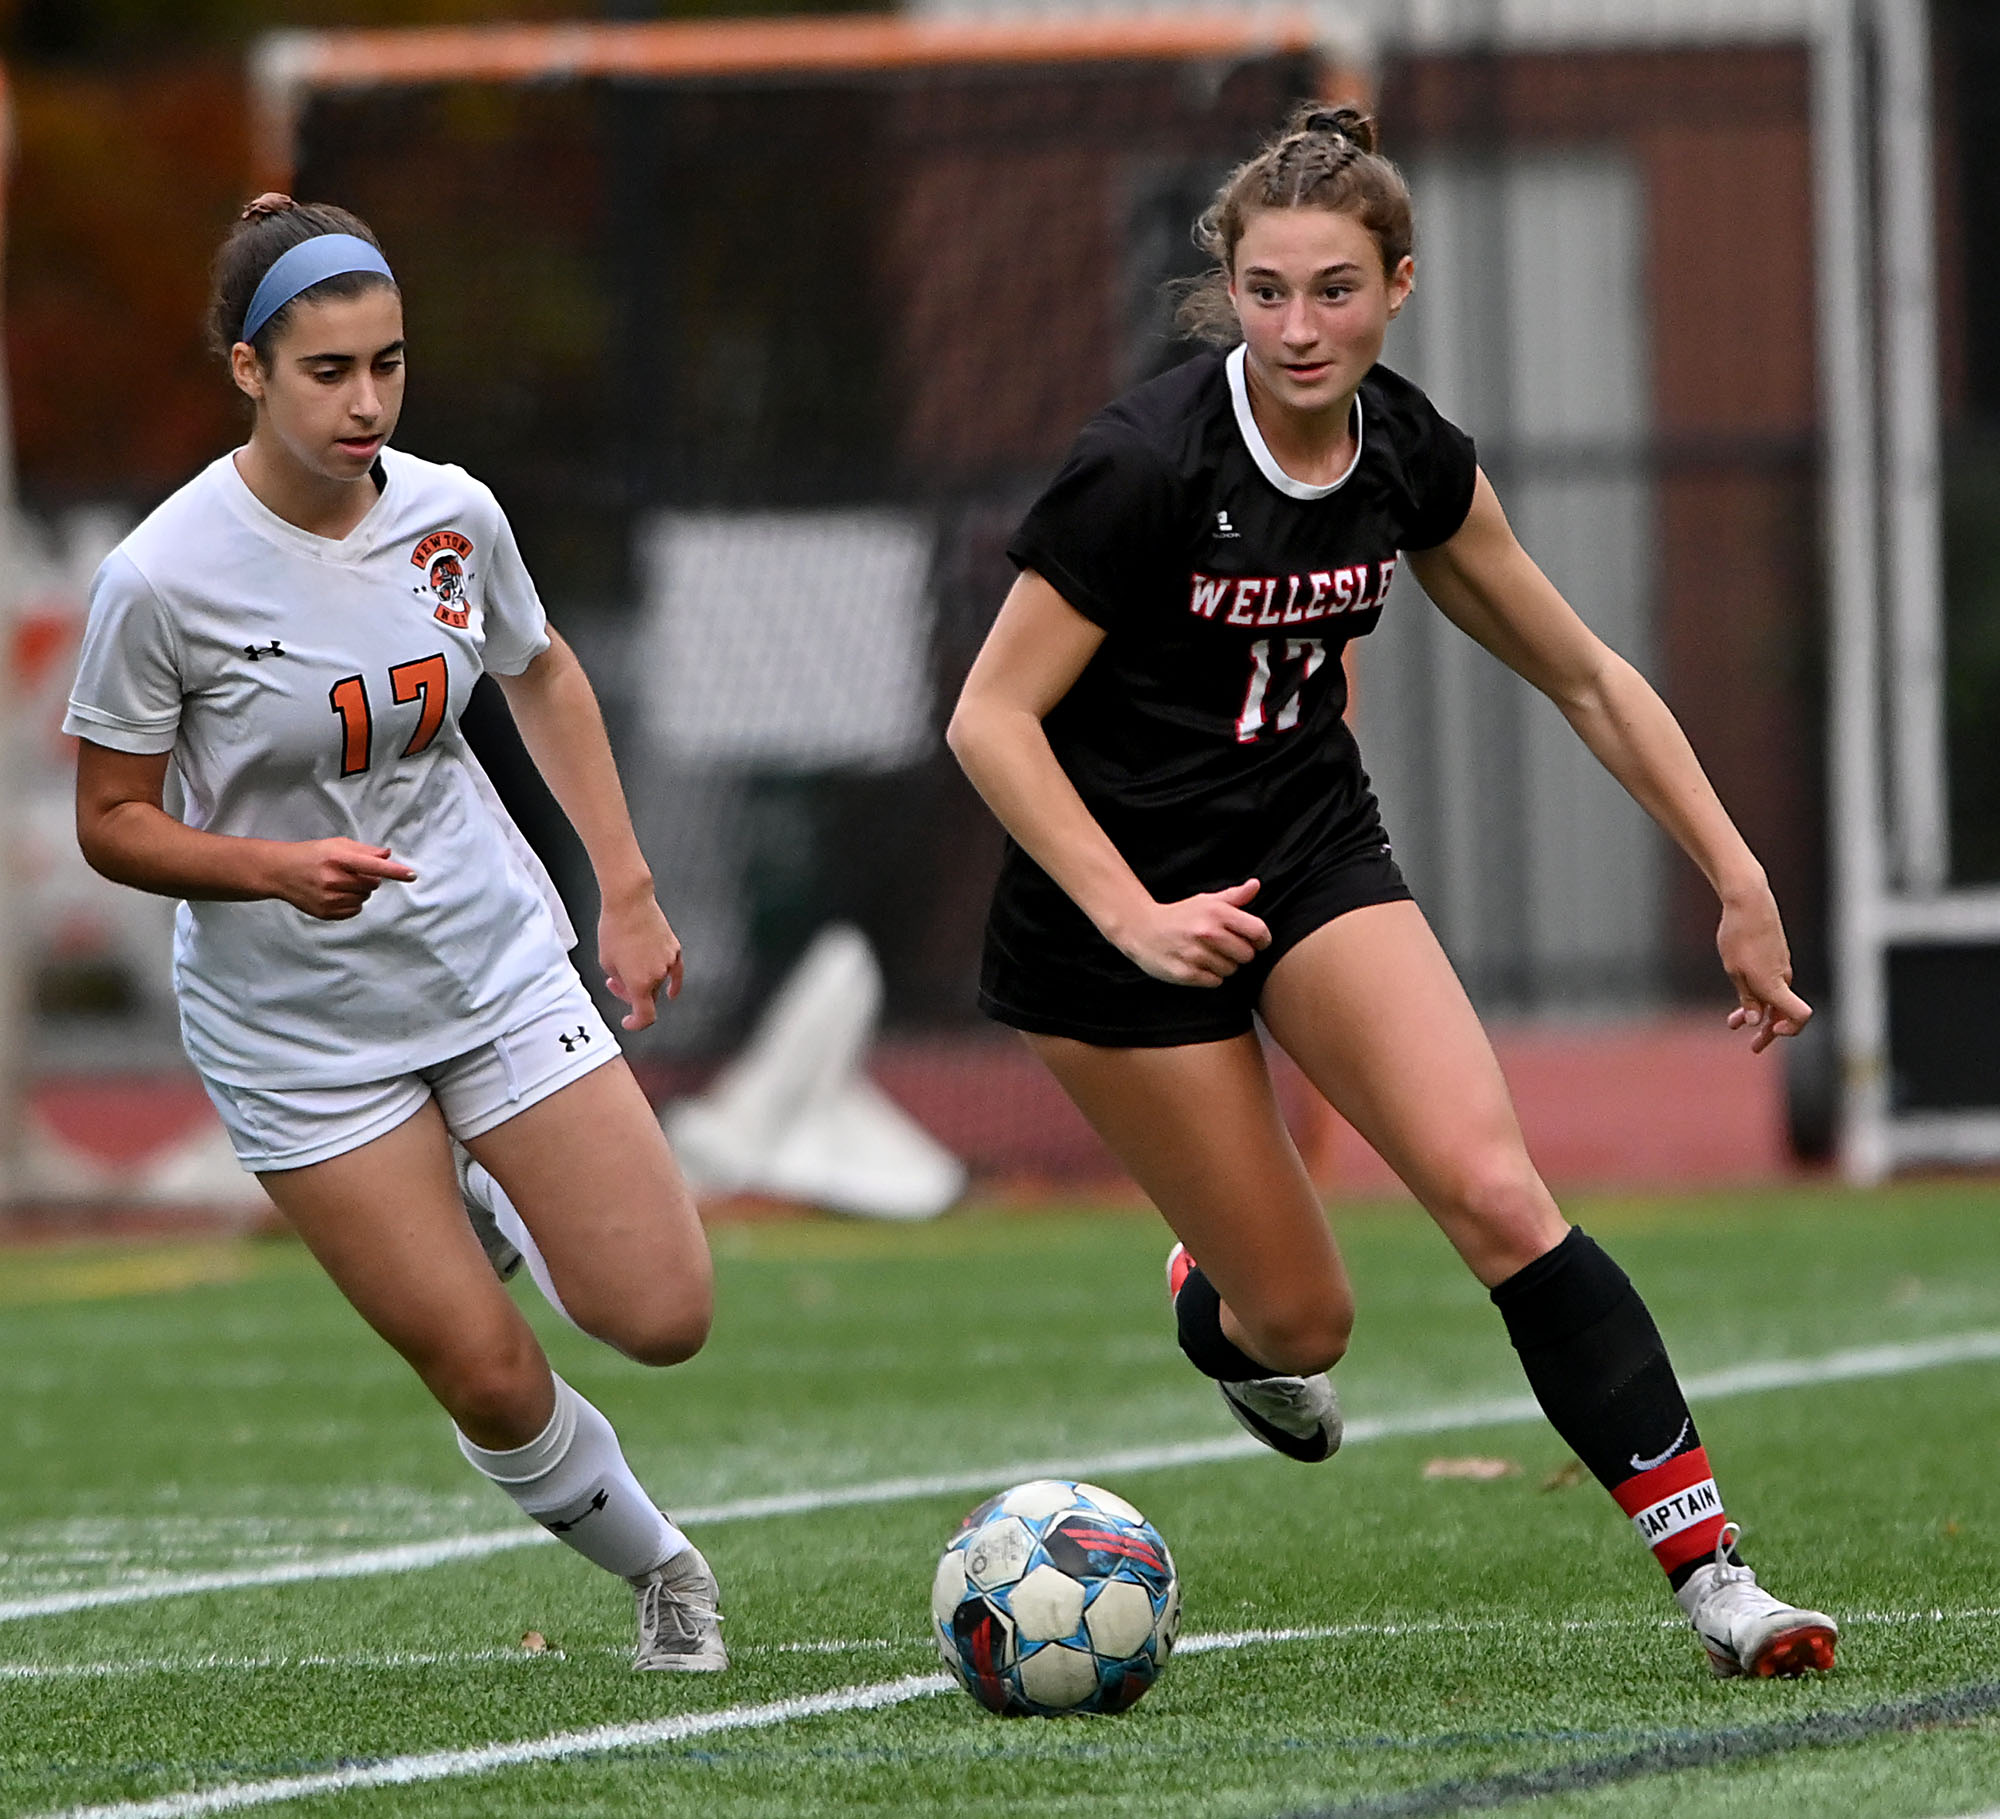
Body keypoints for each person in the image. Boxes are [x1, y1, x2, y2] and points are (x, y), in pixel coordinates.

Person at [947, 106, 1836, 1679]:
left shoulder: (1409, 452)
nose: (1302, 328)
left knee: (1498, 1194)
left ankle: (1718, 1582)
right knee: (1303, 1327)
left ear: (1399, 285)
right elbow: (990, 721)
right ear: (1228, 287)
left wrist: (1738, 874)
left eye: (1338, 290)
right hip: (1112, 918)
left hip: (1307, 854)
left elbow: (1586, 675)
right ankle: (1218, 1291)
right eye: (1271, 291)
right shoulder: (1145, 463)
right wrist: (1133, 917)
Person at [66, 195, 725, 1672]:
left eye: (391, 364)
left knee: (665, 1313)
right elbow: (111, 821)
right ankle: (664, 1570)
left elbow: (543, 673)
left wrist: (623, 888)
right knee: (489, 1374)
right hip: (295, 1033)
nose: (368, 403)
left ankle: (496, 1196)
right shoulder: (160, 579)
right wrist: (267, 869)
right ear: (248, 371)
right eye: (328, 373)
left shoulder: (451, 513)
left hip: (484, 962)